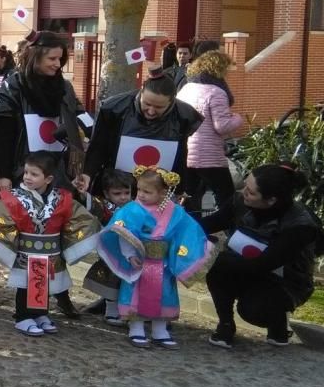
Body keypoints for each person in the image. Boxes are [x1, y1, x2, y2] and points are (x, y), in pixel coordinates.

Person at [0, 30, 86, 317]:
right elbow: (4, 134)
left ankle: (61, 291)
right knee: (33, 237)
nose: (58, 64)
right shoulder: (13, 86)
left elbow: (78, 120)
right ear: (36, 56)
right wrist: (5, 173)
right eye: (53, 58)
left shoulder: (64, 87)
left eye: (61, 58)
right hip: (26, 170)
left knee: (57, 234)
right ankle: (31, 300)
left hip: (57, 170)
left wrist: (80, 159)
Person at [0, 151, 99, 337]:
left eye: (34, 174)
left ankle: (39, 314)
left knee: (45, 282)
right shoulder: (15, 197)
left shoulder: (61, 198)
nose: (28, 177)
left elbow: (78, 217)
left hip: (50, 249)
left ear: (48, 179)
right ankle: (22, 317)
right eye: (26, 172)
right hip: (26, 250)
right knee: (26, 284)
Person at [203, 164, 323, 348]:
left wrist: (219, 260)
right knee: (217, 271)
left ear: (271, 200)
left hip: (285, 282)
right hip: (245, 266)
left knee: (251, 308)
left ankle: (278, 324)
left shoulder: (301, 224)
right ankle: (225, 324)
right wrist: (173, 223)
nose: (243, 192)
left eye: (250, 192)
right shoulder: (240, 201)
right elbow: (213, 222)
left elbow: (264, 263)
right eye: (245, 186)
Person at [96, 166, 213, 348]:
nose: (141, 195)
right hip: (139, 259)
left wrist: (179, 258)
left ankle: (160, 329)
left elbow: (187, 233)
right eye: (139, 190)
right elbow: (123, 231)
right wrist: (129, 255)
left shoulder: (176, 212)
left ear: (163, 192)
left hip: (163, 263)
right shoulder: (131, 210)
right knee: (136, 294)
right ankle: (136, 327)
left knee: (164, 295)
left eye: (147, 191)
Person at [177, 50, 244, 213]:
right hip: (209, 154)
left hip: (187, 151)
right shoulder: (216, 92)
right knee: (226, 197)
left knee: (190, 197)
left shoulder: (187, 88)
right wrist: (238, 118)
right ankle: (230, 232)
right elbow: (222, 126)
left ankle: (193, 233)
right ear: (219, 68)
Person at [79, 168, 134, 325]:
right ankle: (111, 311)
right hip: (111, 251)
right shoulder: (104, 206)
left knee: (128, 282)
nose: (123, 197)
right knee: (112, 281)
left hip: (131, 252)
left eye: (126, 192)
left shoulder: (135, 206)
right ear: (107, 193)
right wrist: (83, 194)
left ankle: (128, 310)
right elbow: (91, 203)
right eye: (117, 193)